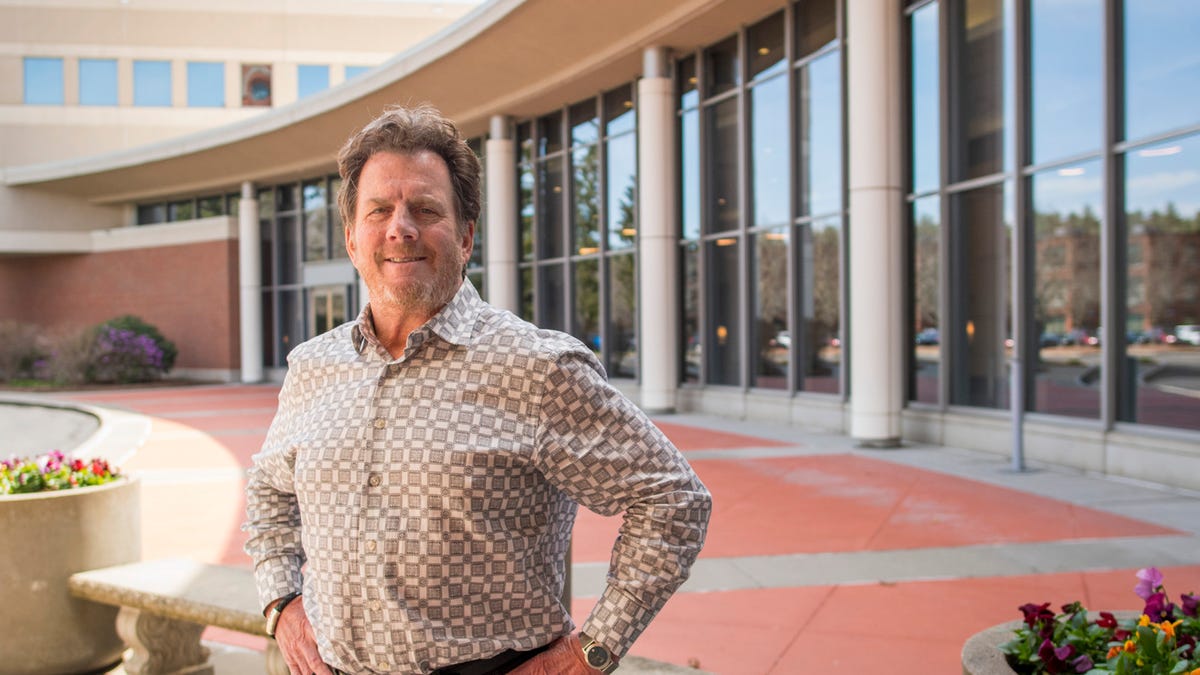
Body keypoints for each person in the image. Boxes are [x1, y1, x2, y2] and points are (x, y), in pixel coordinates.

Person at [243, 104, 712, 675]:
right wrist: (282, 603)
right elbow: (268, 490)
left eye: (424, 208)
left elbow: (673, 500)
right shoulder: (313, 366)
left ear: (465, 236)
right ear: (351, 238)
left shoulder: (538, 368)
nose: (400, 227)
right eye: (379, 211)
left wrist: (591, 652)